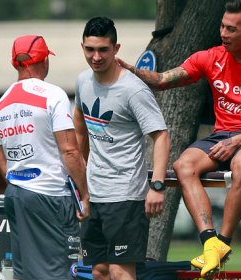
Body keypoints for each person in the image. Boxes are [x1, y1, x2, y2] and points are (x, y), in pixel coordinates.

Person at [117, 0, 241, 276]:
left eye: (232, 29)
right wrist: (131, 71)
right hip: (221, 137)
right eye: (222, 26)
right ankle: (209, 241)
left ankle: (223, 243)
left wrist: (238, 140)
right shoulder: (210, 57)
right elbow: (163, 79)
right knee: (183, 166)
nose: (223, 33)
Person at [73, 17, 170, 280]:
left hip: (125, 196)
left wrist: (157, 186)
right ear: (82, 47)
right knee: (100, 271)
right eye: (90, 49)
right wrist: (79, 183)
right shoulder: (83, 82)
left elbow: (161, 136)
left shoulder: (133, 90)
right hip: (93, 194)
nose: (96, 57)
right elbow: (79, 129)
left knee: (120, 272)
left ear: (116, 49)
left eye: (103, 49)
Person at [0, 35, 90, 280]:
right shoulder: (53, 95)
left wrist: (21, 183)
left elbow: (0, 161)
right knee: (59, 272)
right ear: (44, 60)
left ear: (16, 63)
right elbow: (70, 151)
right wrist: (85, 193)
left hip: (15, 193)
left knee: (24, 273)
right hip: (50, 195)